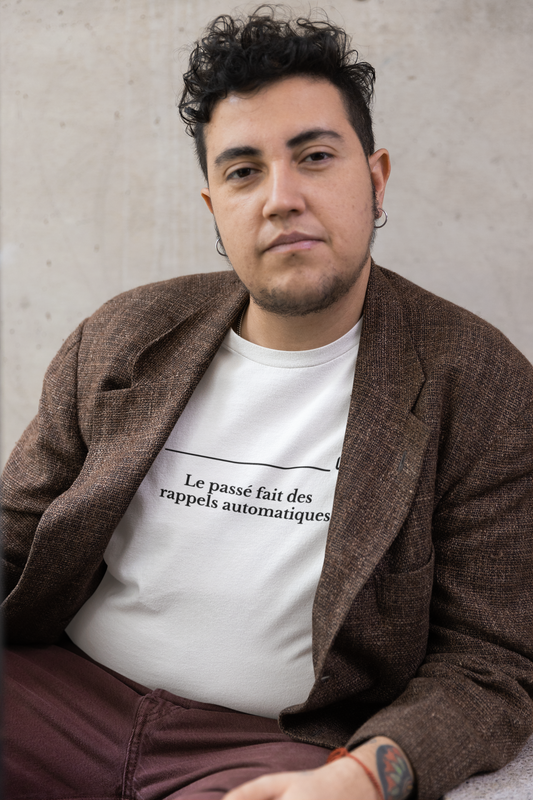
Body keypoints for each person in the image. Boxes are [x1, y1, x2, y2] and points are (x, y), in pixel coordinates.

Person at [3, 8, 533, 800]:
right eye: (244, 170)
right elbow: (15, 536)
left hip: (272, 747)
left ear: (375, 178)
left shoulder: (477, 381)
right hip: (57, 699)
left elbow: (490, 663)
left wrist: (364, 776)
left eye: (314, 156)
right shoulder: (121, 339)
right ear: (215, 204)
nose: (281, 198)